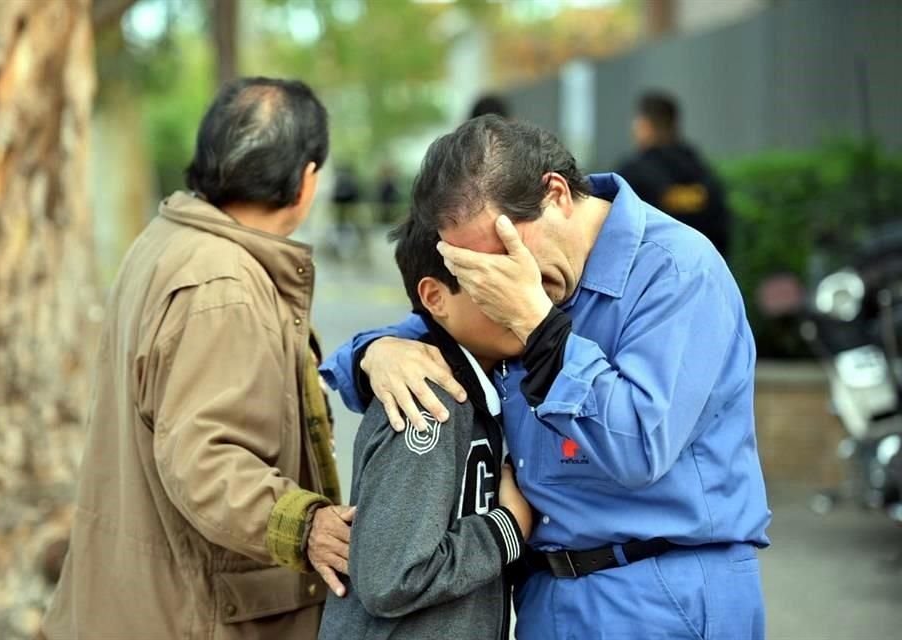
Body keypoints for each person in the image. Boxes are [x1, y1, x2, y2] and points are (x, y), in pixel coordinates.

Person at [321, 115, 771, 639]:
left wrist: (538, 325)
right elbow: (404, 346)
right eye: (476, 274)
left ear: (555, 194)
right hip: (544, 596)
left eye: (504, 258)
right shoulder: (507, 285)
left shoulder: (676, 272)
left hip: (660, 592)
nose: (498, 286)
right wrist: (376, 351)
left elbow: (638, 447)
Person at [42, 77, 353, 640]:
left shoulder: (167, 241)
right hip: (187, 617)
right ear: (307, 181)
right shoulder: (223, 285)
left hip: (135, 604)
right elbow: (205, 459)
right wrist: (303, 525)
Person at [318, 217, 532, 640]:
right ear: (435, 296)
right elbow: (391, 577)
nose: (521, 295)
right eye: (492, 278)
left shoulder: (482, 388)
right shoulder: (428, 397)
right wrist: (507, 527)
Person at [617, 90, 733, 258]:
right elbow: (722, 231)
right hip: (703, 267)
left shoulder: (632, 174)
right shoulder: (701, 171)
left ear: (645, 126)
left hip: (653, 271)